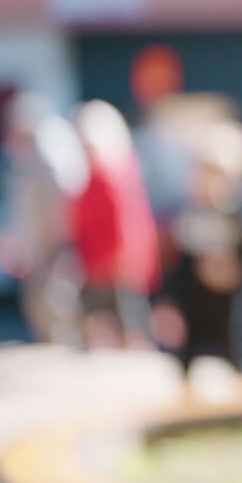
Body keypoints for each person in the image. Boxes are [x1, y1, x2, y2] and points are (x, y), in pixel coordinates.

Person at [153, 119, 242, 400]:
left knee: (236, 353)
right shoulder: (188, 215)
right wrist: (168, 300)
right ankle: (186, 404)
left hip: (227, 304)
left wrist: (232, 270)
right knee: (186, 357)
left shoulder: (237, 215)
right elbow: (178, 263)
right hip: (195, 302)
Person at [70, 100, 162, 349]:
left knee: (129, 320)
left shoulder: (114, 175)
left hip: (118, 263)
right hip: (98, 261)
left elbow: (125, 223)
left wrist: (120, 259)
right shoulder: (93, 176)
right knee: (99, 317)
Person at [2, 92, 89, 345]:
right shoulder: (27, 158)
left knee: (56, 307)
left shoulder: (48, 159)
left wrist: (54, 247)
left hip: (53, 250)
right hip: (39, 251)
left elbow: (58, 213)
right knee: (40, 310)